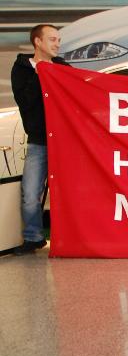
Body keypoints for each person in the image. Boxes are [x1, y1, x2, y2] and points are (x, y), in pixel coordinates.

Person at [9, 24, 69, 255]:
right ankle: (33, 237)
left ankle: (68, 237)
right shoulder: (22, 69)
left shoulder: (63, 67)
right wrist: (40, 73)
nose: (57, 44)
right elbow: (25, 102)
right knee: (31, 193)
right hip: (39, 142)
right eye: (52, 39)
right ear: (38, 42)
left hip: (64, 143)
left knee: (68, 193)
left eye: (58, 40)